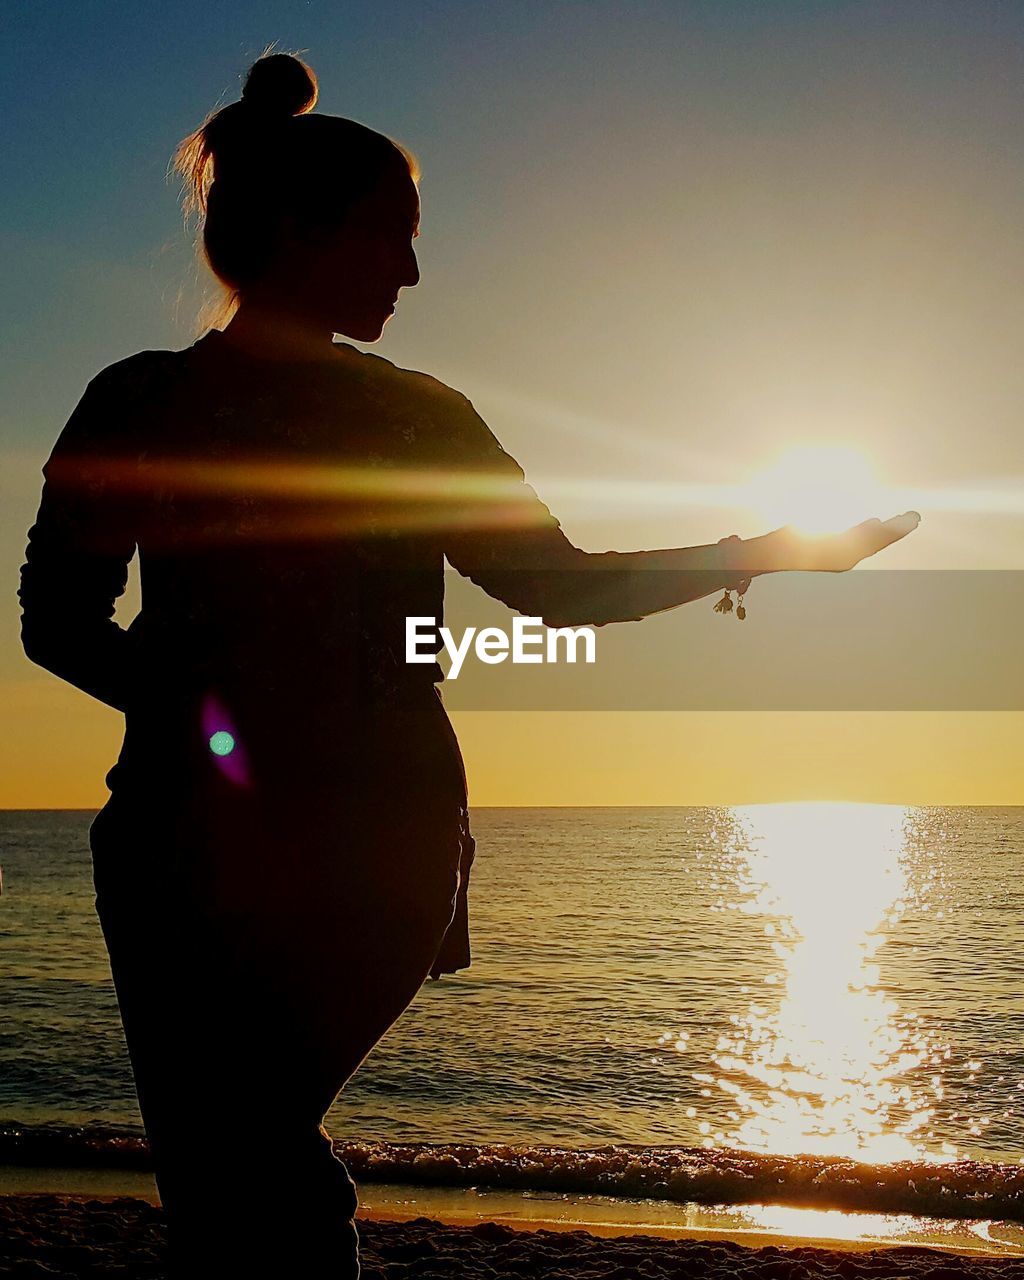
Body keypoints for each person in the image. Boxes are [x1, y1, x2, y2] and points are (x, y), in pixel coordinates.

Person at [17, 52, 919, 1280]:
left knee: (240, 1155)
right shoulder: (153, 398)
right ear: (297, 229)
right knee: (233, 1167)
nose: (413, 269)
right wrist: (203, 716)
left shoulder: (408, 409)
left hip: (372, 833)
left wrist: (767, 552)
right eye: (391, 235)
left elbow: (549, 586)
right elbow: (59, 616)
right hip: (189, 839)